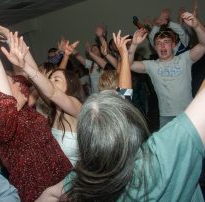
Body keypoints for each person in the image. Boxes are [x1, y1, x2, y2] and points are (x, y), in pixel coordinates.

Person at [36, 30, 205, 202]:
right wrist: (123, 52)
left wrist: (124, 53)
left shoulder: (87, 179)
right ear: (130, 126)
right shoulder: (161, 155)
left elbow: (50, 194)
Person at [0, 30, 72, 202]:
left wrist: (12, 39)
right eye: (13, 82)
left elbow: (30, 74)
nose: (20, 84)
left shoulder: (26, 109)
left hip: (66, 180)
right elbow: (6, 103)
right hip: (40, 193)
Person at [129, 11, 205, 128]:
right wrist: (134, 45)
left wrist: (197, 25)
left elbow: (203, 45)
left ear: (173, 45)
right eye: (158, 43)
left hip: (189, 114)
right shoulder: (151, 65)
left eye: (166, 42)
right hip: (166, 118)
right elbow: (128, 65)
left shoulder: (184, 59)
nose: (162, 46)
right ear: (155, 48)